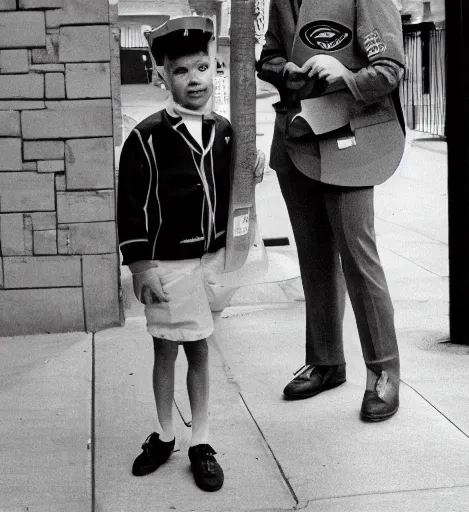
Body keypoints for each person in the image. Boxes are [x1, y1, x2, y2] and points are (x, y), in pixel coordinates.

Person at [117, 16, 264, 491]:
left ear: (214, 68)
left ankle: (201, 440)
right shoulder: (146, 137)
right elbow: (130, 208)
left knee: (200, 350)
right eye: (181, 71)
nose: (195, 78)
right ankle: (164, 435)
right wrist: (140, 266)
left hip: (211, 261)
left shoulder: (224, 131)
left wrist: (253, 165)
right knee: (164, 351)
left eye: (203, 67)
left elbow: (234, 189)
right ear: (163, 75)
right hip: (167, 265)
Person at [256, 0, 406, 422]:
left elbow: (391, 68)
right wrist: (284, 70)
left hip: (351, 139)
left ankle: (384, 373)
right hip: (297, 136)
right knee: (314, 258)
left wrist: (347, 77)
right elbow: (267, 57)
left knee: (359, 259)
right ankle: (325, 362)